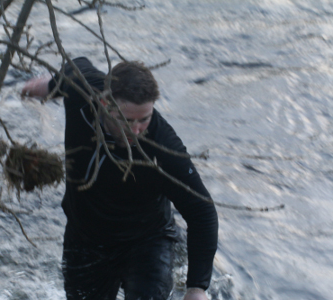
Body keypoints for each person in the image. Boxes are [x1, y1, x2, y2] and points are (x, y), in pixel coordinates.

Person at [22, 57, 218, 300]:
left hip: (147, 242)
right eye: (127, 120)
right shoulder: (83, 92)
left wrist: (197, 288)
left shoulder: (163, 147)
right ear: (105, 103)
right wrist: (52, 86)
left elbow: (202, 210)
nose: (136, 131)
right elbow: (76, 65)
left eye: (144, 119)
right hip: (85, 239)